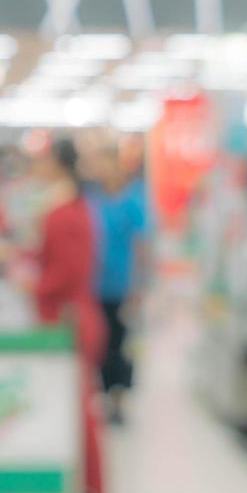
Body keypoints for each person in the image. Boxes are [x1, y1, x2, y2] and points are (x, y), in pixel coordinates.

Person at [28, 137, 106, 493]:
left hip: (66, 319)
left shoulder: (63, 212)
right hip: (69, 314)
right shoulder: (69, 206)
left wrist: (32, 284)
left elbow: (66, 271)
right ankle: (84, 490)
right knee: (74, 405)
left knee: (79, 407)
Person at [86, 147, 149, 425]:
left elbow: (141, 246)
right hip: (93, 286)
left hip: (122, 287)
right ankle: (101, 396)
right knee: (99, 344)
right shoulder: (92, 200)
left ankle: (119, 400)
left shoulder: (132, 201)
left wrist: (138, 286)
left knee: (120, 346)